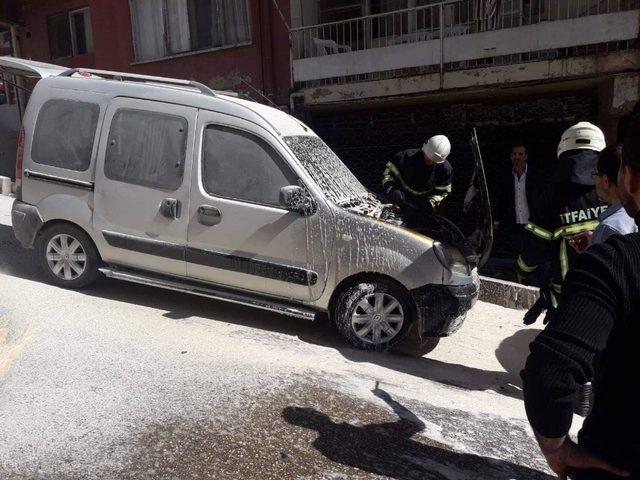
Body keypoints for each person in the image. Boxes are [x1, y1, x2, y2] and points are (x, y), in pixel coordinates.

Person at [521, 122, 640, 479]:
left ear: (626, 179)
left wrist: (556, 448)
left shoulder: (554, 196)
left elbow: (550, 371)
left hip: (576, 306)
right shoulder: (607, 211)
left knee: (587, 366)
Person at [517, 122, 608, 325]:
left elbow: (534, 247)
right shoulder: (618, 190)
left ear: (563, 151)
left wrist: (522, 271)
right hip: (614, 294)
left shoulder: (552, 196)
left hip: (571, 297)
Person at [570, 145, 637, 252]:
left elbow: (601, 268)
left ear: (605, 181)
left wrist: (598, 246)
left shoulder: (608, 228)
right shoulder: (633, 217)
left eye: (595, 175)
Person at [382, 134, 453, 227]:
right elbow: (388, 174)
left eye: (433, 162)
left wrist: (430, 203)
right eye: (427, 157)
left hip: (421, 204)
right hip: (398, 197)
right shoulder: (404, 157)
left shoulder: (445, 170)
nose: (429, 162)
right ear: (424, 150)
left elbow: (443, 192)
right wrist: (392, 189)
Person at [495, 144, 541, 253]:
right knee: (517, 250)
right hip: (514, 222)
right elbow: (501, 199)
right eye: (514, 154)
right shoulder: (506, 176)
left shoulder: (535, 175)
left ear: (525, 156)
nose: (517, 157)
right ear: (511, 156)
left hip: (532, 222)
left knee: (533, 251)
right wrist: (496, 221)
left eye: (520, 154)